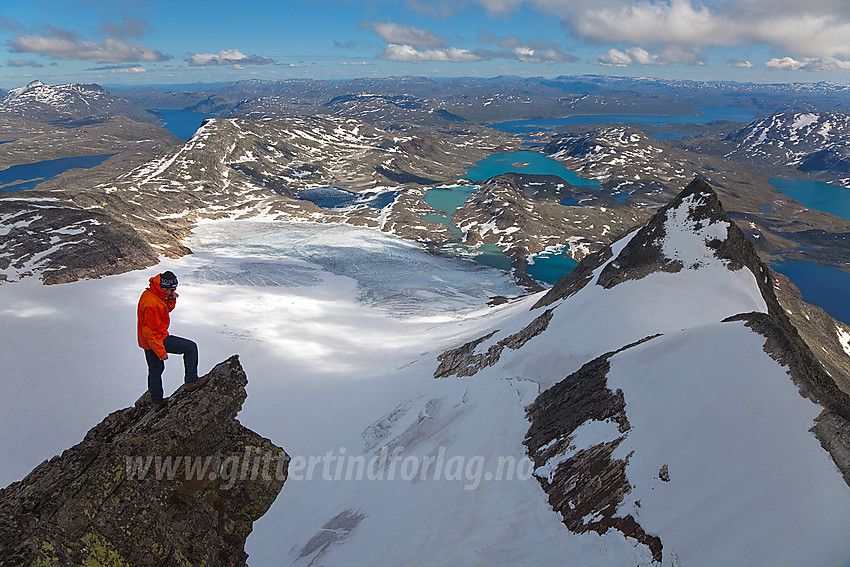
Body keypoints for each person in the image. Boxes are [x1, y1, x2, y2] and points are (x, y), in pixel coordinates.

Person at [137, 271, 207, 410]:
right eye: (172, 289)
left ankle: (157, 402)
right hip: (156, 339)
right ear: (164, 286)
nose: (173, 291)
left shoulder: (154, 293)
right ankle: (191, 382)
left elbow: (164, 311)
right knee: (190, 348)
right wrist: (160, 350)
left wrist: (170, 299)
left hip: (148, 341)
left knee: (155, 370)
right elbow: (149, 331)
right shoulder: (152, 303)